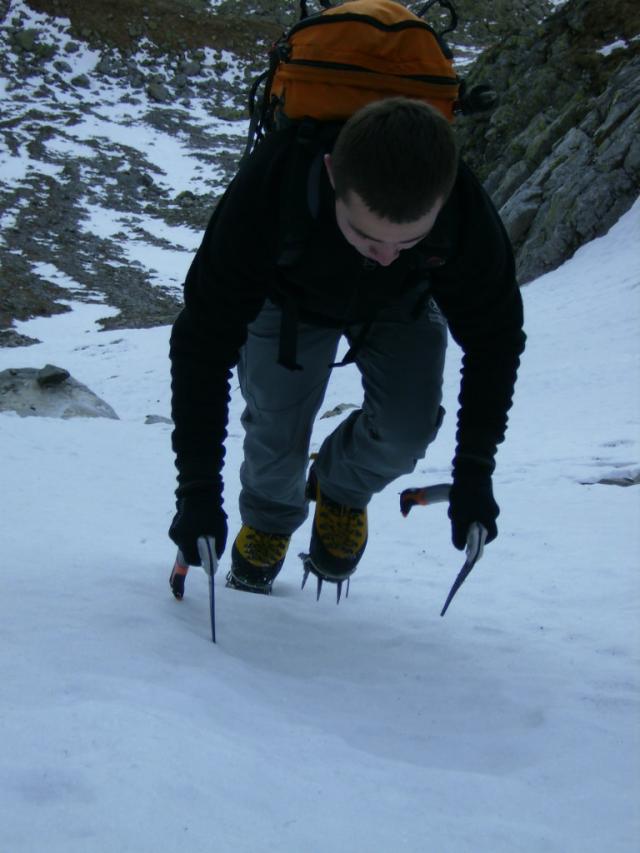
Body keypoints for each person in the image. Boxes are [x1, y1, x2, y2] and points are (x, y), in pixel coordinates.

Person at [168, 96, 525, 597]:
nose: (384, 256)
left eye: (407, 242)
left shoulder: (464, 212)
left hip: (403, 303)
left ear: (442, 199)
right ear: (333, 173)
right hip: (287, 300)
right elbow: (202, 341)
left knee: (408, 427)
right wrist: (197, 491)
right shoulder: (270, 188)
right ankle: (270, 520)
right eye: (365, 234)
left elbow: (496, 341)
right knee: (275, 421)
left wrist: (475, 471)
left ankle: (341, 487)